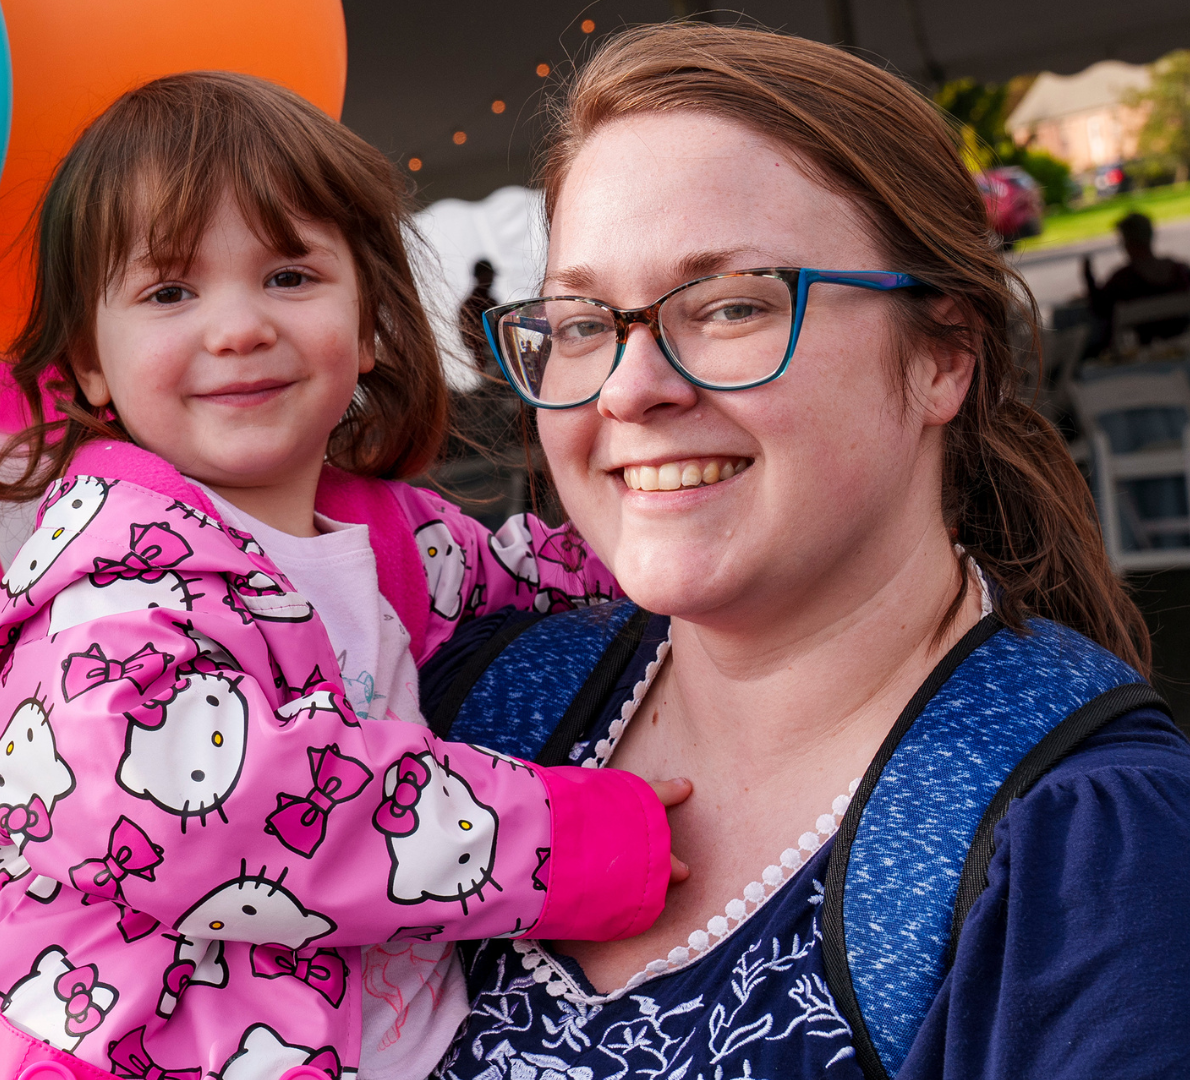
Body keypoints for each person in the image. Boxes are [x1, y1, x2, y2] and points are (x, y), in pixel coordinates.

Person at [421, 24, 1190, 1080]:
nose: (630, 389)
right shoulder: (470, 715)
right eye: (584, 322)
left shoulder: (1082, 851)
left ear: (944, 357)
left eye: (731, 305)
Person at [0, 73, 679, 1080]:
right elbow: (219, 813)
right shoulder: (107, 593)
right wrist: (567, 842)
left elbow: (528, 580)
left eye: (289, 277)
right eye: (171, 291)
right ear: (91, 363)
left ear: (368, 328)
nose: (238, 328)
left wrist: (656, 540)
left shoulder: (390, 540)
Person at [1083, 211, 1190, 347]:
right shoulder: (1180, 271)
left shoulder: (1123, 279)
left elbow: (1100, 309)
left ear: (1127, 242)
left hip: (1139, 351)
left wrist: (1088, 278)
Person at [457, 259, 500, 364]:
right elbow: (468, 339)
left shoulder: (490, 301)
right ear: (480, 276)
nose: (492, 279)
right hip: (489, 362)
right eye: (489, 275)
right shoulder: (472, 304)